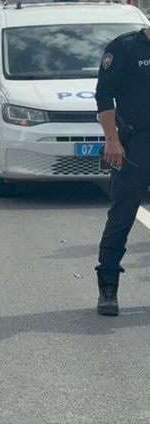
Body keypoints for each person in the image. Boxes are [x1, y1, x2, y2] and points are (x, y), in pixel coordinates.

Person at [94, 27, 150, 316]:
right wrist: (112, 139)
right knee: (122, 214)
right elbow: (104, 95)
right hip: (136, 143)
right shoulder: (125, 48)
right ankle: (108, 285)